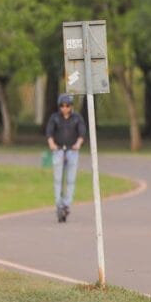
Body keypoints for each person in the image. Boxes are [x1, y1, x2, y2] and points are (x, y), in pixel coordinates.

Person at [46, 93, 86, 223]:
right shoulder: (55, 118)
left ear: (71, 106)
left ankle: (66, 204)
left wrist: (78, 144)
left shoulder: (77, 118)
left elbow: (81, 133)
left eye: (67, 105)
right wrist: (52, 144)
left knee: (70, 180)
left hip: (72, 151)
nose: (65, 108)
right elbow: (49, 132)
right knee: (58, 179)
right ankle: (59, 204)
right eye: (62, 106)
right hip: (58, 150)